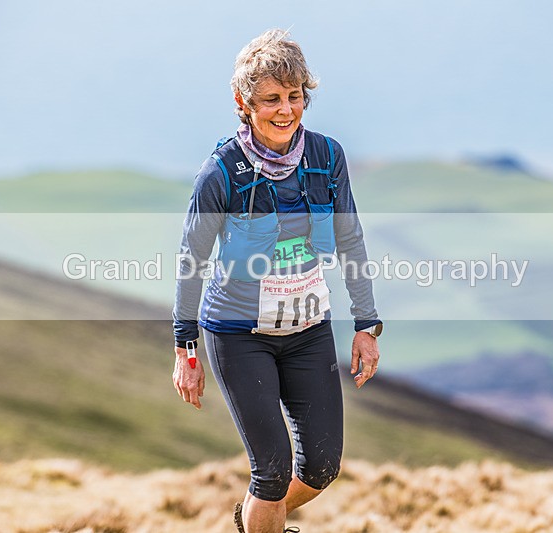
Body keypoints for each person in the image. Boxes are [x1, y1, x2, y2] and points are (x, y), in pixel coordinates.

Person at [172, 28, 383, 533]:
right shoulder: (220, 173)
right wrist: (185, 350)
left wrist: (366, 325)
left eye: (294, 95)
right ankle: (262, 519)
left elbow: (350, 240)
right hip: (238, 334)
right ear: (244, 103)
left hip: (308, 331)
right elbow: (191, 260)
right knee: (270, 472)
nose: (285, 110)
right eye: (271, 99)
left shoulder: (327, 157)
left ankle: (254, 522)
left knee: (322, 468)